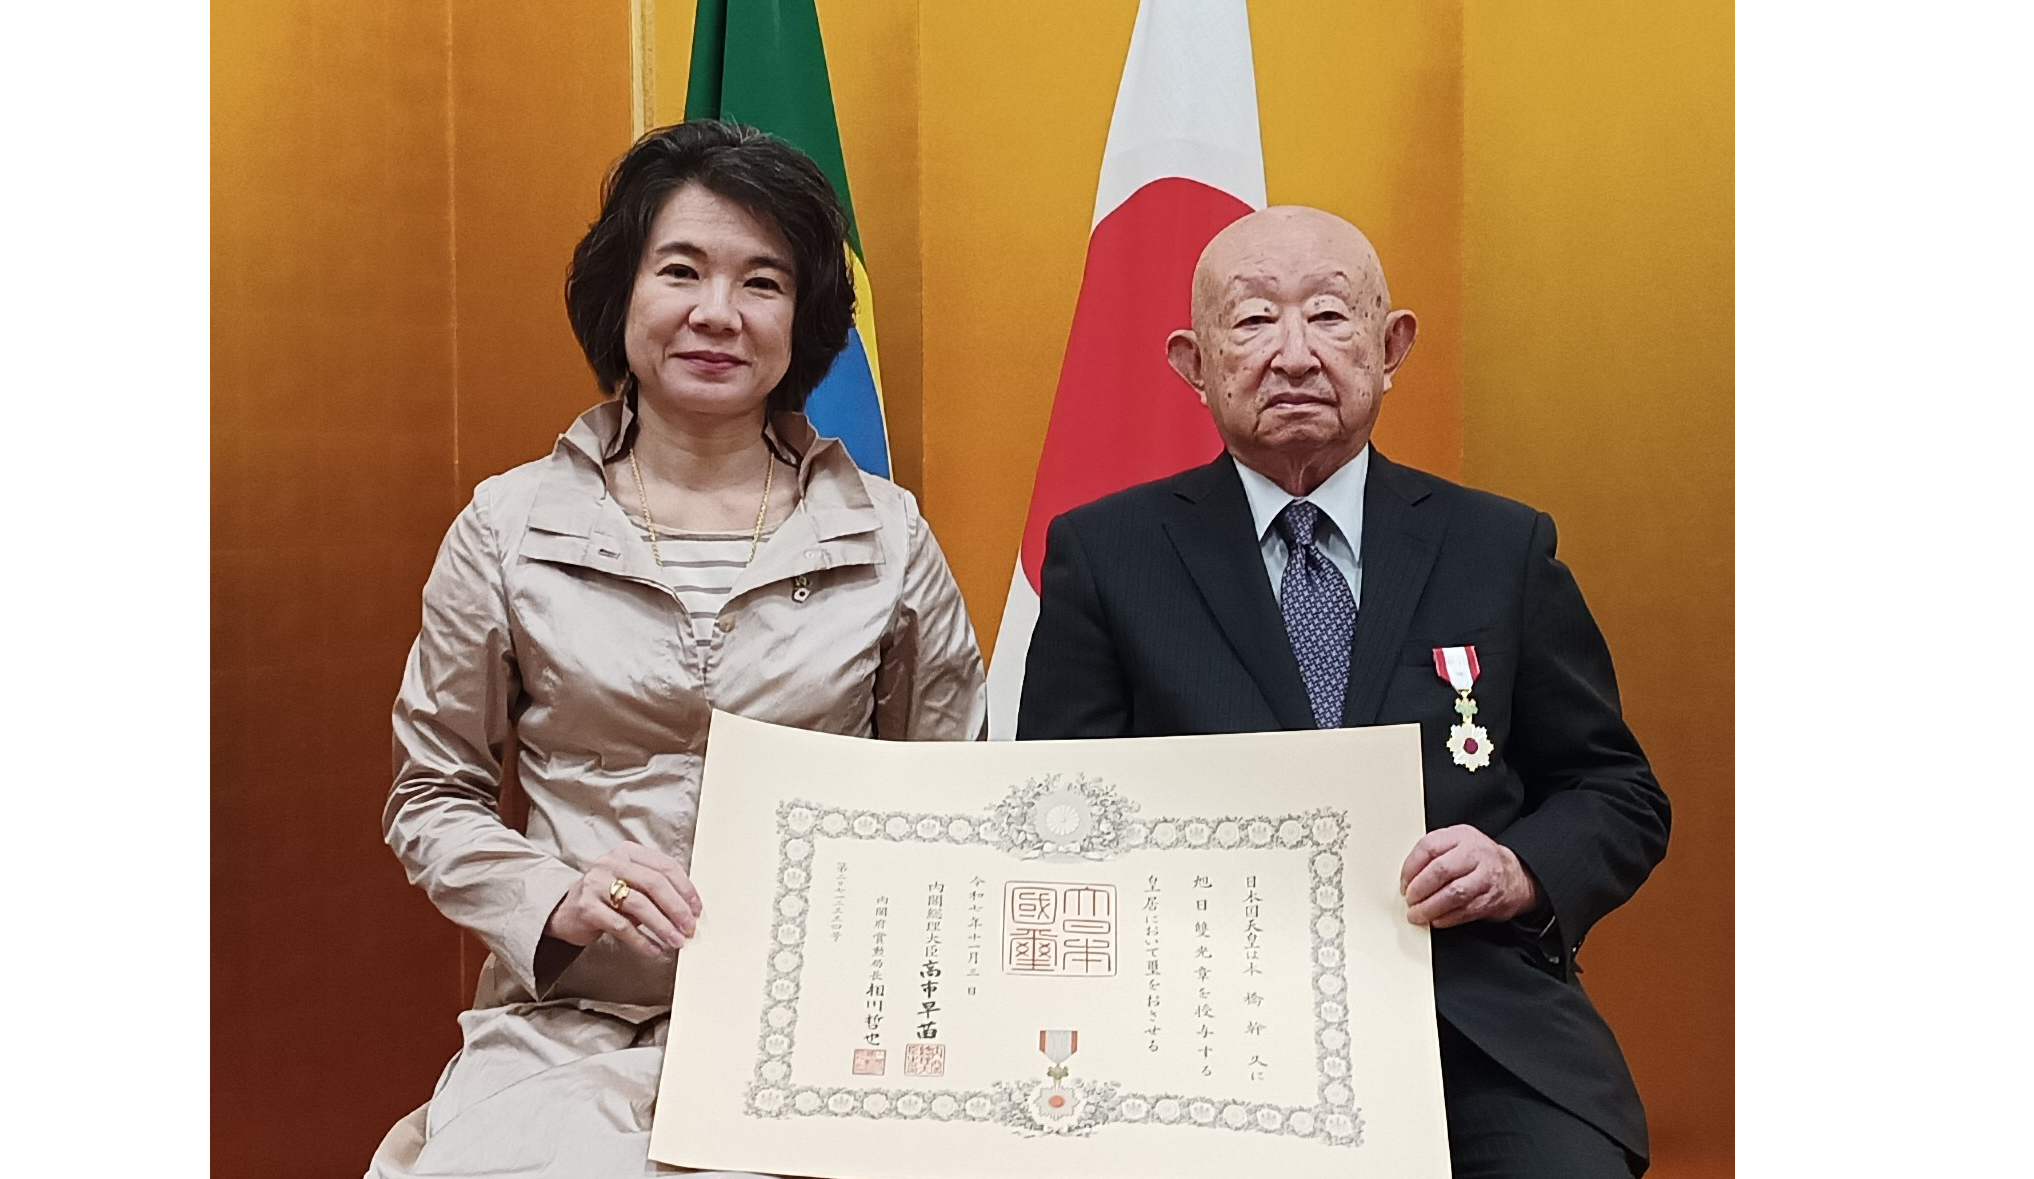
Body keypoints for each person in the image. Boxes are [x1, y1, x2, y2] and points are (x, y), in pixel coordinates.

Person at [368, 120, 987, 1179]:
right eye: (681, 269)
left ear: (804, 318)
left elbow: (954, 800)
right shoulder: (506, 526)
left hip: (826, 1017)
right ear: (622, 294)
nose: (717, 312)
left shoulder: (888, 536)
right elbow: (430, 796)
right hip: (569, 1023)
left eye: (762, 282)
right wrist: (553, 896)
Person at [1017, 206, 1670, 1178]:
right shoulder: (1108, 555)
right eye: (1252, 321)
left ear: (1390, 345)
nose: (1294, 355)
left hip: (1468, 1018)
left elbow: (1615, 789)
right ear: (1193, 364)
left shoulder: (1500, 547)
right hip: (1202, 1020)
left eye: (1328, 315)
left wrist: (1517, 867)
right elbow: (1054, 816)